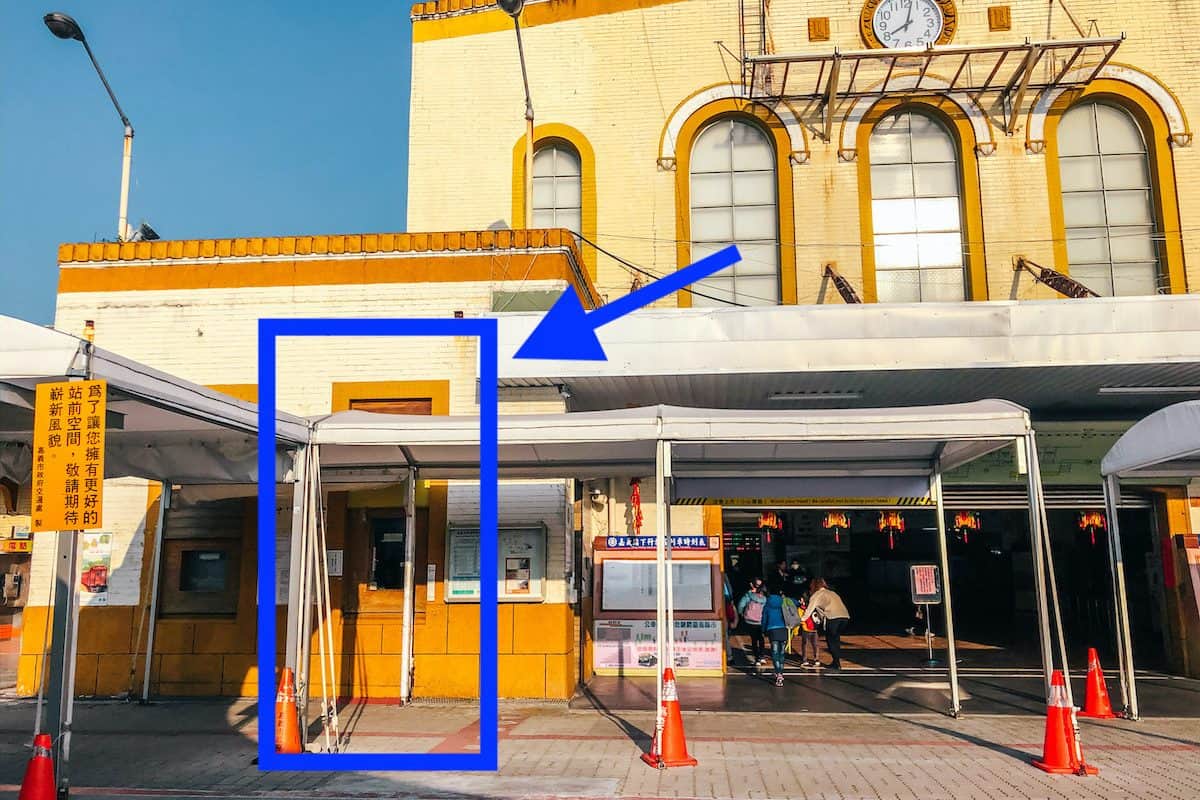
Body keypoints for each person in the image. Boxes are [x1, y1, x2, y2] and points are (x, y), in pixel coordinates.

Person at [801, 577, 851, 671]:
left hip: (832, 617)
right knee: (836, 639)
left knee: (831, 640)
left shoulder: (817, 595)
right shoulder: (832, 593)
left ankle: (836, 663)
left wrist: (800, 620)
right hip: (845, 617)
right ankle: (836, 661)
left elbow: (809, 610)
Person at [760, 579, 792, 687]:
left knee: (774, 653)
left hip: (772, 629)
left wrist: (763, 630)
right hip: (783, 629)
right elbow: (795, 603)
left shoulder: (767, 604)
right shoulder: (784, 601)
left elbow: (764, 618)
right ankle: (781, 673)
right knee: (781, 653)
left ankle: (778, 673)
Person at [736, 578, 768, 666]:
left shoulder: (748, 595)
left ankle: (757, 659)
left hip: (750, 620)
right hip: (760, 620)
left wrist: (741, 613)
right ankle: (762, 656)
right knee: (761, 638)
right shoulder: (764, 597)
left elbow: (741, 605)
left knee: (754, 640)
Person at [795, 592, 821, 668]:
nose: (799, 601)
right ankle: (816, 660)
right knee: (815, 645)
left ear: (803, 599)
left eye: (800, 599)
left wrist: (797, 629)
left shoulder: (801, 608)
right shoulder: (813, 606)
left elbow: (800, 619)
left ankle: (805, 660)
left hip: (806, 629)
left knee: (804, 645)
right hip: (814, 629)